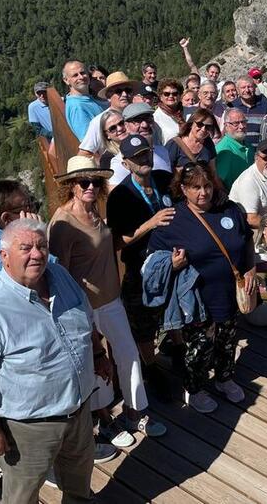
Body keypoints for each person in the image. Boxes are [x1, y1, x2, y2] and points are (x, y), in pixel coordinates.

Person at [0, 218, 109, 503]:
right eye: (25, 248)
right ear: (4, 256)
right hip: (29, 429)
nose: (37, 254)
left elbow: (85, 318)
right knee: (22, 497)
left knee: (79, 488)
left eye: (41, 246)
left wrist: (98, 353)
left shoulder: (59, 276)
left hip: (78, 412)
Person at [49, 156, 166, 445]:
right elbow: (60, 274)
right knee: (94, 362)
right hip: (84, 304)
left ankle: (135, 410)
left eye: (95, 181)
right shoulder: (63, 224)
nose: (90, 186)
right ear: (71, 186)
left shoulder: (94, 212)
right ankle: (104, 421)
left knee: (128, 355)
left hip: (110, 298)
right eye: (83, 182)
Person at [147, 163, 256, 413]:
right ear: (183, 189)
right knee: (199, 349)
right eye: (195, 187)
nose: (203, 192)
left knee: (228, 341)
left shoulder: (229, 210)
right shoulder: (173, 220)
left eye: (207, 186)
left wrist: (250, 269)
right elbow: (152, 261)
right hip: (197, 300)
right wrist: (172, 265)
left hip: (230, 295)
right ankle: (194, 389)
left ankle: (224, 378)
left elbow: (247, 240)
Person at [105, 135, 176, 401]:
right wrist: (151, 223)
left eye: (145, 153)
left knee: (173, 308)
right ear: (126, 163)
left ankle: (177, 351)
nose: (143, 160)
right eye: (136, 158)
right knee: (143, 321)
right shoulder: (121, 196)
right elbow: (116, 242)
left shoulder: (162, 180)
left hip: (170, 260)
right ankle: (151, 367)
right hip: (139, 267)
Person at [0, 180, 45, 291]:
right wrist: (37, 235)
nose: (33, 210)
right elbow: (44, 277)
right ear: (6, 219)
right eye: (26, 207)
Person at [77, 71, 139, 158]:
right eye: (118, 91)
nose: (124, 94)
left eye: (128, 90)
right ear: (108, 97)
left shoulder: (140, 115)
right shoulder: (98, 122)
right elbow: (84, 154)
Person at [109, 103, 172, 185]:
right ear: (126, 125)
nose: (145, 125)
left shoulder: (162, 151)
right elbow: (116, 194)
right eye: (137, 121)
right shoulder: (119, 162)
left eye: (148, 119)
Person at [166, 108, 221, 186]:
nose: (203, 129)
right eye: (200, 124)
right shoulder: (174, 145)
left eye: (208, 126)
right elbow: (166, 175)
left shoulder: (208, 143)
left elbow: (213, 172)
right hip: (180, 191)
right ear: (191, 124)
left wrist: (221, 191)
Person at [62, 60, 108, 140]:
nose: (81, 77)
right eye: (75, 75)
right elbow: (88, 140)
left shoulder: (87, 98)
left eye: (83, 73)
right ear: (66, 80)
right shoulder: (77, 106)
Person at [215, 107, 255, 188]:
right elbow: (220, 182)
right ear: (226, 126)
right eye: (236, 123)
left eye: (243, 122)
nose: (241, 126)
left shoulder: (248, 146)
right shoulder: (224, 150)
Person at [232, 76, 267, 148]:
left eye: (249, 87)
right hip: (239, 152)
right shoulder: (233, 106)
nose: (247, 90)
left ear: (255, 88)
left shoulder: (265, 104)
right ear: (237, 90)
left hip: (262, 151)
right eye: (243, 87)